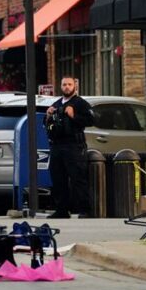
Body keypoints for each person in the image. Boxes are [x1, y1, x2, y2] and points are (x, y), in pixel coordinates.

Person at [44, 75, 94, 219]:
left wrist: (73, 116)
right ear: (61, 86)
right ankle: (62, 210)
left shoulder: (80, 103)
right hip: (57, 145)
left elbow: (91, 120)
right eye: (64, 84)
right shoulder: (57, 103)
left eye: (69, 84)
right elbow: (48, 124)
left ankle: (84, 209)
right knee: (58, 178)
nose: (67, 87)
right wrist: (48, 116)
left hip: (74, 146)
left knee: (78, 178)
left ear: (75, 87)